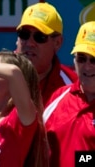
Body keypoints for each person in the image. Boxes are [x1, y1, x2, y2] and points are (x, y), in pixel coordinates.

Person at [43, 21, 95, 167]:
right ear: (74, 60)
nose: (87, 66)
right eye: (81, 59)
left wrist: (79, 160)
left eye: (94, 60)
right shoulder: (59, 96)